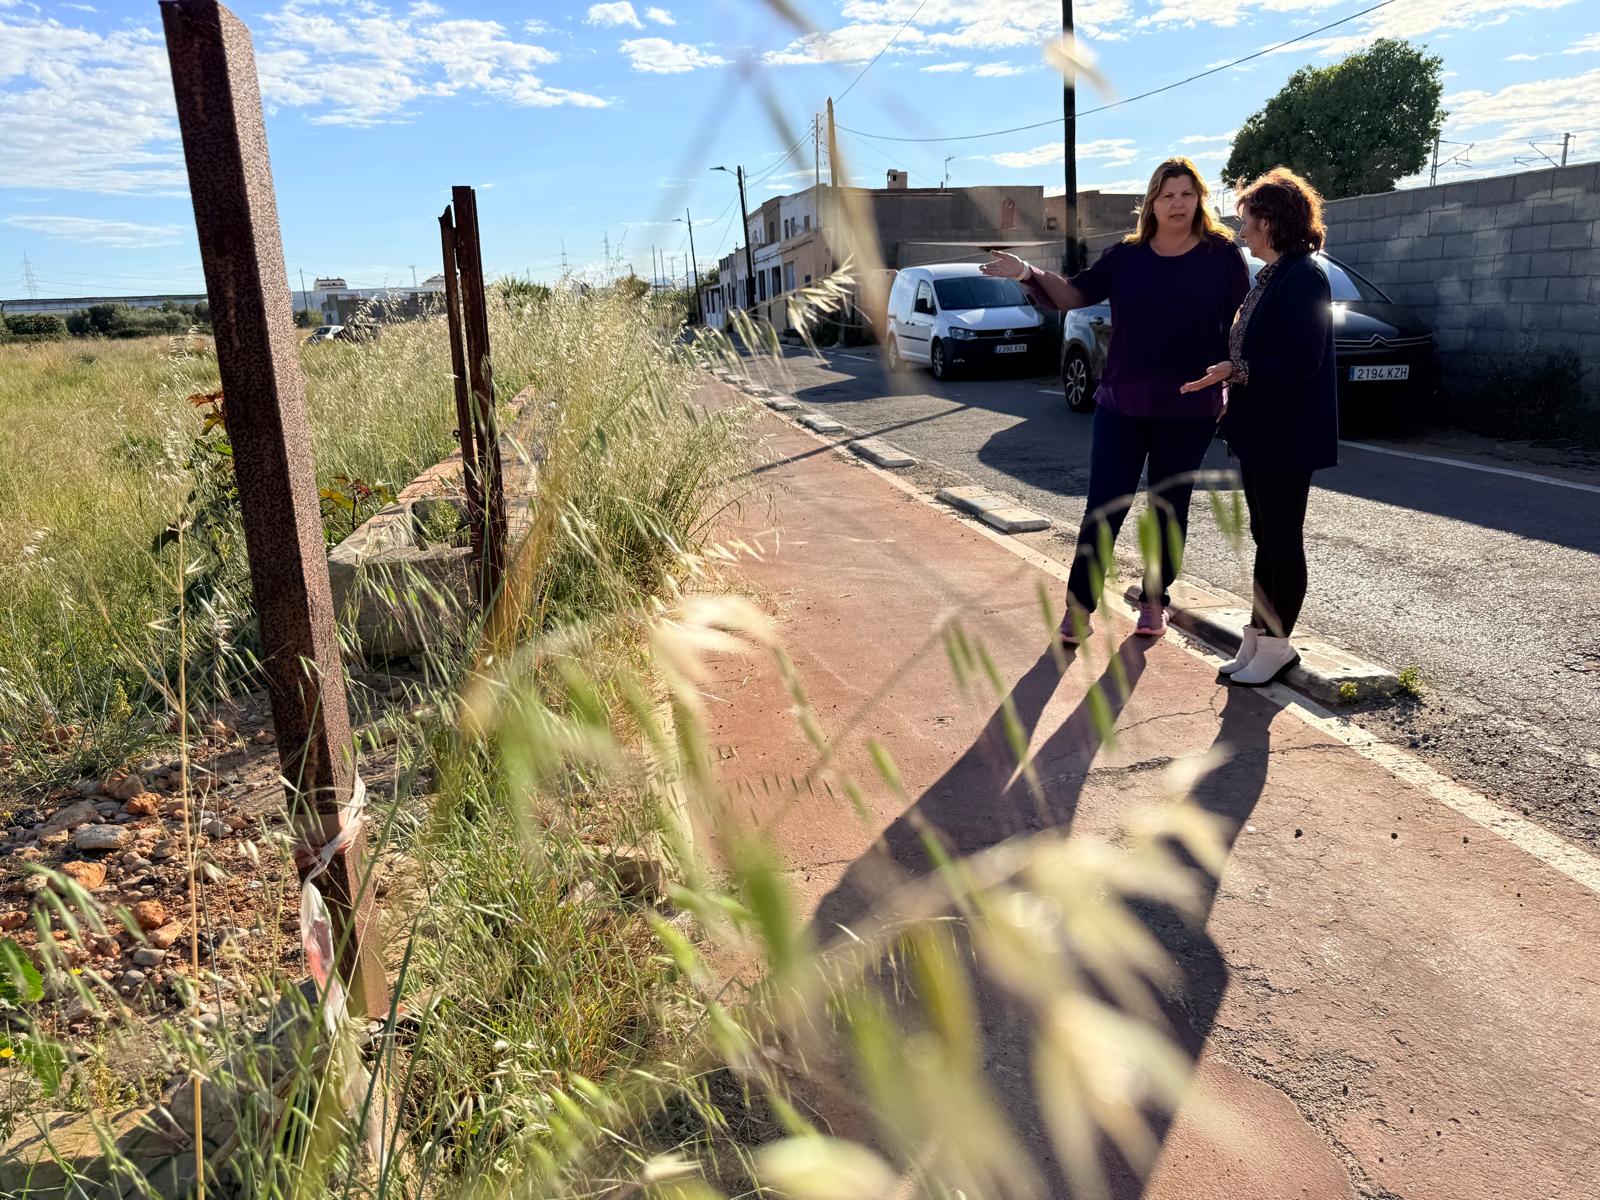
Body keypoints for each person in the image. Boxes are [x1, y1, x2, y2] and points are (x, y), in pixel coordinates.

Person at [982, 157, 1249, 645]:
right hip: (1122, 404)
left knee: (1170, 509)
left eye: (1186, 194)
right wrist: (1027, 271)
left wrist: (1235, 371)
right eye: (1167, 195)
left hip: (1190, 407)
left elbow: (1242, 321)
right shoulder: (1126, 257)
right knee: (1104, 505)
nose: (1177, 204)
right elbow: (1074, 294)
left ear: (1200, 199)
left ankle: (1153, 601)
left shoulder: (1222, 256)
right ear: (1151, 202)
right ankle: (1079, 608)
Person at [1181, 167, 1338, 687]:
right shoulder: (1275, 273)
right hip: (1261, 428)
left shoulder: (1304, 275)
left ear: (1271, 221)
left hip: (1288, 433)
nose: (1241, 229)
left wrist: (1238, 371)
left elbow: (1304, 359)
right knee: (1264, 535)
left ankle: (1277, 645)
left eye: (1247, 219)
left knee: (1281, 538)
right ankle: (1257, 638)